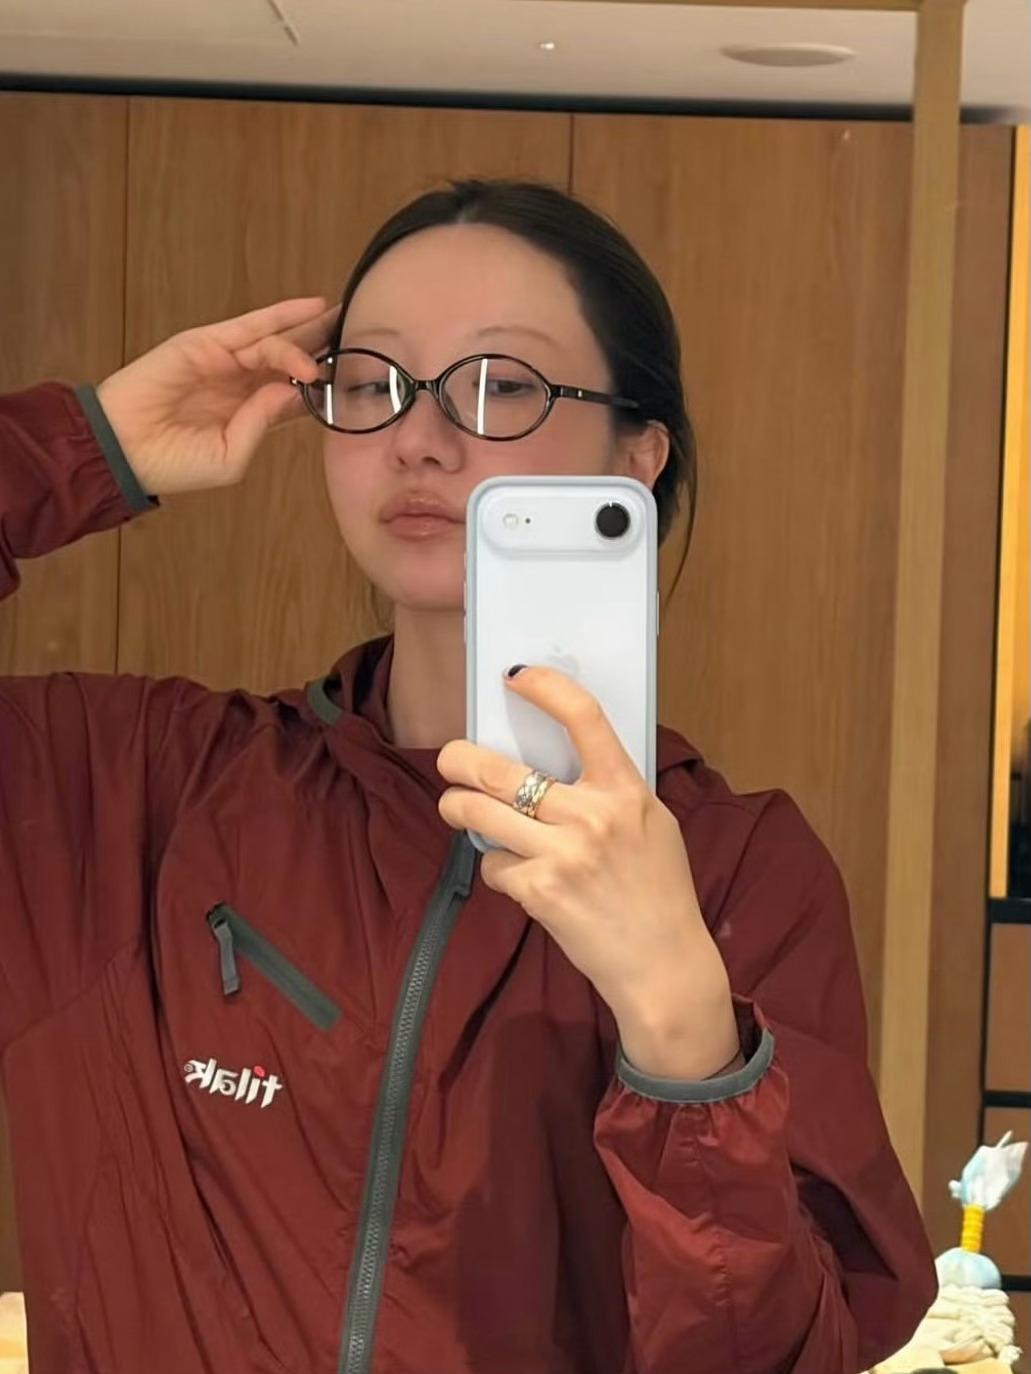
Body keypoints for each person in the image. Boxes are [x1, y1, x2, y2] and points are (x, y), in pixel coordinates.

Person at [0, 178, 935, 1374]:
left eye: (502, 384)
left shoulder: (740, 873)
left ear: (635, 455)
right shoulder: (126, 791)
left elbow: (787, 1356)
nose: (418, 437)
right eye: (370, 382)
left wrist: (685, 1043)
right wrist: (85, 443)